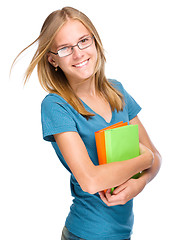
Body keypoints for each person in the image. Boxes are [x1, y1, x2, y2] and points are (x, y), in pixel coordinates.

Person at [13, 7, 161, 240]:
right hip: (85, 234)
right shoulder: (56, 106)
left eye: (83, 41)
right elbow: (90, 180)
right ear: (53, 60)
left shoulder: (118, 92)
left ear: (95, 42)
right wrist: (145, 160)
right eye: (65, 48)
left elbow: (157, 156)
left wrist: (140, 183)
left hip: (123, 233)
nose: (78, 53)